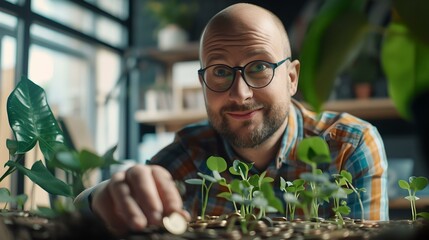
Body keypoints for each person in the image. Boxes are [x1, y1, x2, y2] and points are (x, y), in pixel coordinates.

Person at [75, 3, 388, 236]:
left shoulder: (350, 144)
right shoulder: (191, 151)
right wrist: (103, 195)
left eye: (259, 67)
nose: (240, 94)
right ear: (203, 84)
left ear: (291, 78)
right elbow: (88, 206)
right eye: (221, 72)